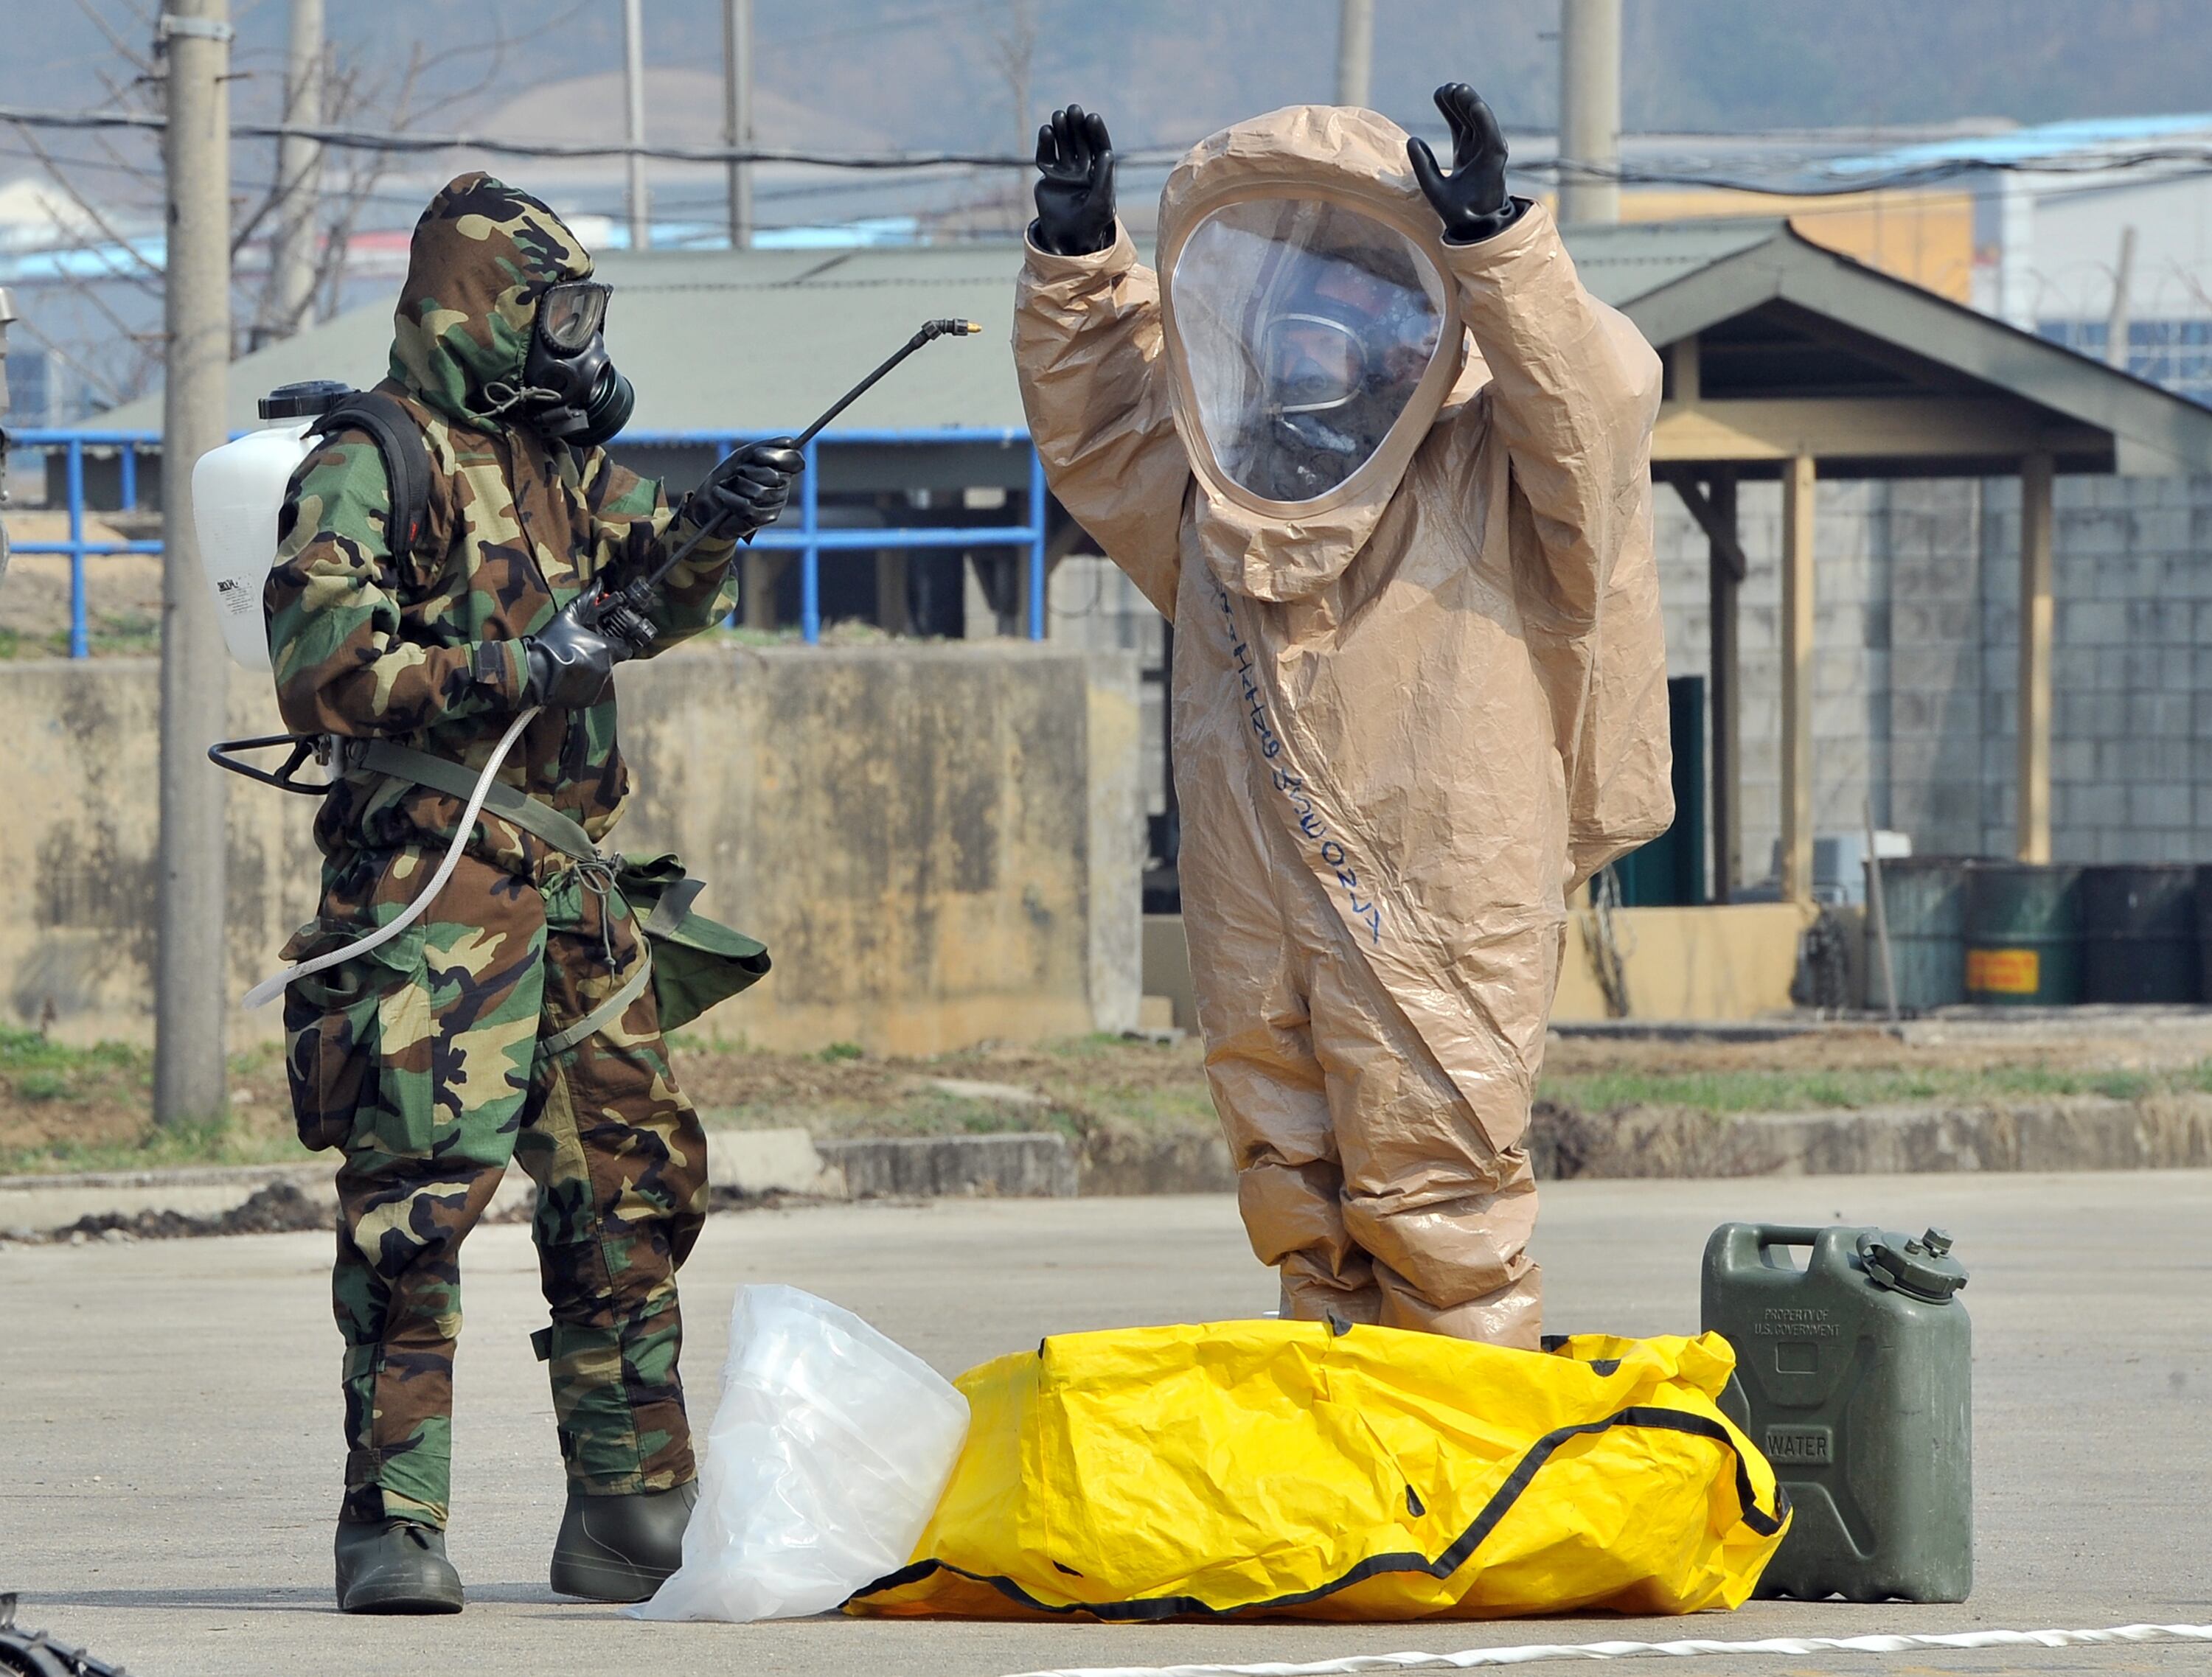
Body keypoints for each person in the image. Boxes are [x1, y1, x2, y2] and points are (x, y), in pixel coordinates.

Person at [1015, 89, 1671, 1348]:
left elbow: (1591, 414)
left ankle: (1466, 1448)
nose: (1318, 325)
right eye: (1295, 290)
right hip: (1257, 887)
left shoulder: (1485, 463)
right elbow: (1100, 427)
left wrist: (1499, 248)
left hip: (1440, 886)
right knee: (1295, 1193)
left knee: (1438, 1196)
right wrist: (1078, 261)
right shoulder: (1220, 490)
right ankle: (1344, 1447)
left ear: (1417, 314)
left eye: (1361, 288)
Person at [265, 172, 802, 1613]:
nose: (577, 343)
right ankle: (394, 1524)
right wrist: (519, 667)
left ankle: (631, 1510)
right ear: (478, 309)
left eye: (585, 317)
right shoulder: (371, 460)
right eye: (553, 313)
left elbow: (658, 598)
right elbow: (323, 672)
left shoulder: (561, 461)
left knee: (631, 1195)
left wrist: (716, 526)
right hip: (432, 894)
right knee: (415, 1214)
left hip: (576, 896)